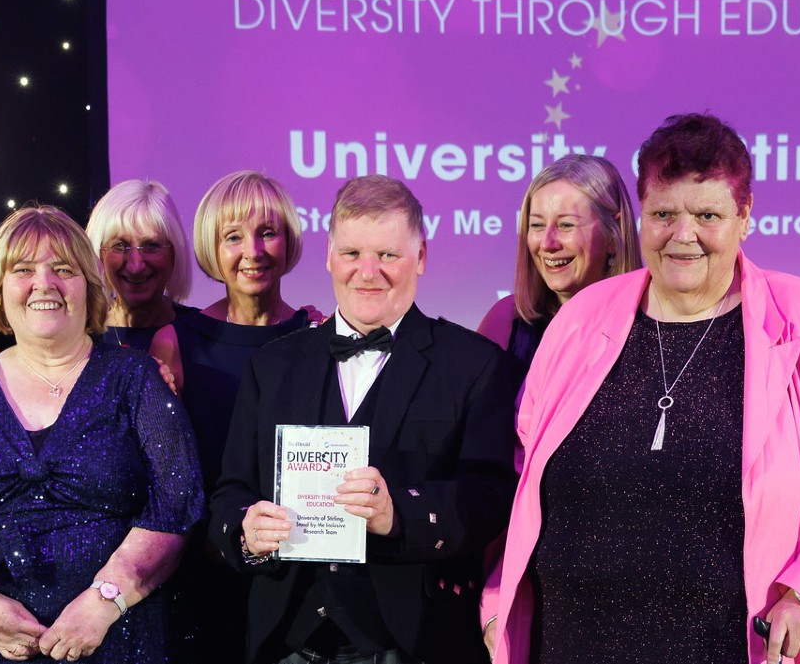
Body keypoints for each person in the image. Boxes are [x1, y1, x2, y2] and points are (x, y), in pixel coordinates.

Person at [481, 113, 800, 664]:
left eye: (706, 214)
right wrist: (500, 592)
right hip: (572, 641)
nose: (682, 235)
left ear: (745, 217)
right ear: (642, 216)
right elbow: (527, 471)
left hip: (737, 647)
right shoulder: (582, 318)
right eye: (664, 214)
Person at [210, 175, 520, 664]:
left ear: (421, 257)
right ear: (330, 257)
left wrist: (400, 514)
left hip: (414, 641)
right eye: (352, 254)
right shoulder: (272, 365)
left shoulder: (474, 365)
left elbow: (490, 499)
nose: (368, 272)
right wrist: (246, 532)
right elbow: (230, 492)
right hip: (285, 641)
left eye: (388, 255)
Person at [0, 205, 205, 663]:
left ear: (89, 287)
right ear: (0, 287)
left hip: (115, 639)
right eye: (23, 270)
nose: (44, 284)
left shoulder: (135, 378)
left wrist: (103, 603)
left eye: (63, 269)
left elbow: (177, 501)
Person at [146, 171, 315, 658]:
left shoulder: (318, 332)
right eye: (233, 237)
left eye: (268, 232)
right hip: (205, 566)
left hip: (295, 569)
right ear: (210, 247)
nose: (254, 251)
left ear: (288, 239)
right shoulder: (177, 339)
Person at [475, 154, 640, 373]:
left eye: (565, 225)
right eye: (537, 225)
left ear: (613, 233)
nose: (547, 243)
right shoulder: (505, 320)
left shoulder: (650, 329)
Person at [87, 179, 197, 348]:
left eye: (151, 246)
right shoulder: (83, 337)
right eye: (120, 245)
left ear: (174, 252)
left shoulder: (201, 334)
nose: (135, 266)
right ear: (99, 252)